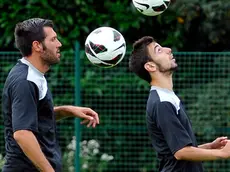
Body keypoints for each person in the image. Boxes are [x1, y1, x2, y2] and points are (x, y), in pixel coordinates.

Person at [1, 18, 99, 172]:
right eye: (53, 39)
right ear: (37, 45)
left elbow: (36, 117)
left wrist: (67, 111)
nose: (59, 44)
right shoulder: (25, 81)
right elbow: (22, 133)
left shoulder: (34, 74)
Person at [129, 36, 230, 172]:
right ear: (150, 66)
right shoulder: (162, 102)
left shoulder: (167, 97)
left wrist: (209, 147)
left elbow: (174, 153)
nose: (168, 50)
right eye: (159, 50)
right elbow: (181, 152)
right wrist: (222, 154)